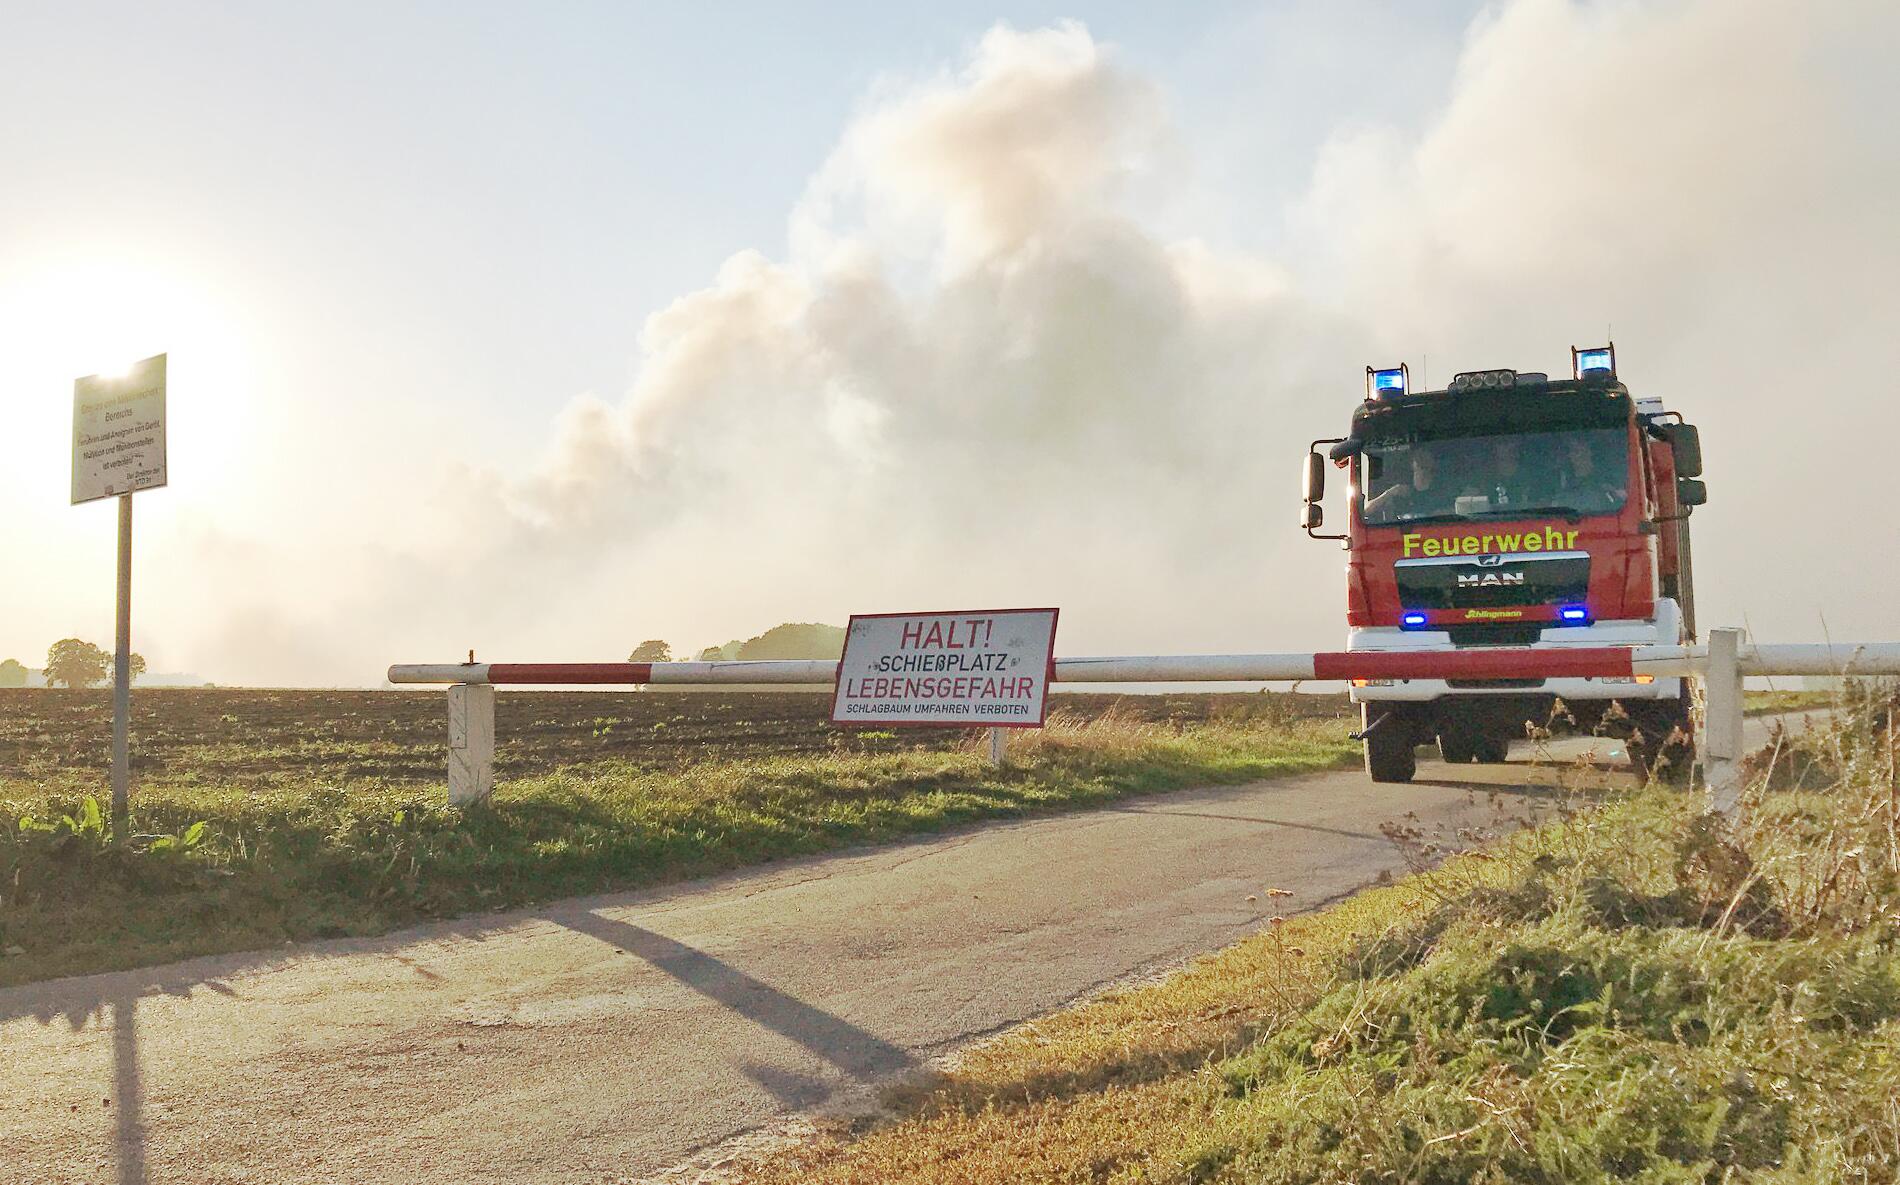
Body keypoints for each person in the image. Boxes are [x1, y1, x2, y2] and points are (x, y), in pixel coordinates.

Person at [1364, 443, 1444, 520]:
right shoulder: (1399, 489)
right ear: (1412, 464)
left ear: (1433, 462)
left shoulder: (1441, 488)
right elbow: (1365, 512)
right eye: (1418, 457)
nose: (1420, 460)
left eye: (1424, 457)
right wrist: (1389, 494)